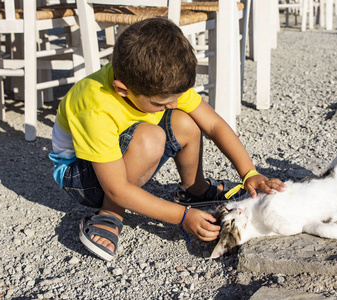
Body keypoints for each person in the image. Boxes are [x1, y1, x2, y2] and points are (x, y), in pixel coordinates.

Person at [49, 17, 286, 261]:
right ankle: (111, 212)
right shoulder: (95, 105)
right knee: (150, 137)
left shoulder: (157, 84)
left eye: (175, 97)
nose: (172, 105)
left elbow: (213, 125)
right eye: (161, 103)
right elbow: (116, 187)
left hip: (123, 151)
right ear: (122, 90)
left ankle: (195, 189)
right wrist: (182, 216)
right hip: (82, 176)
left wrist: (249, 173)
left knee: (184, 121)